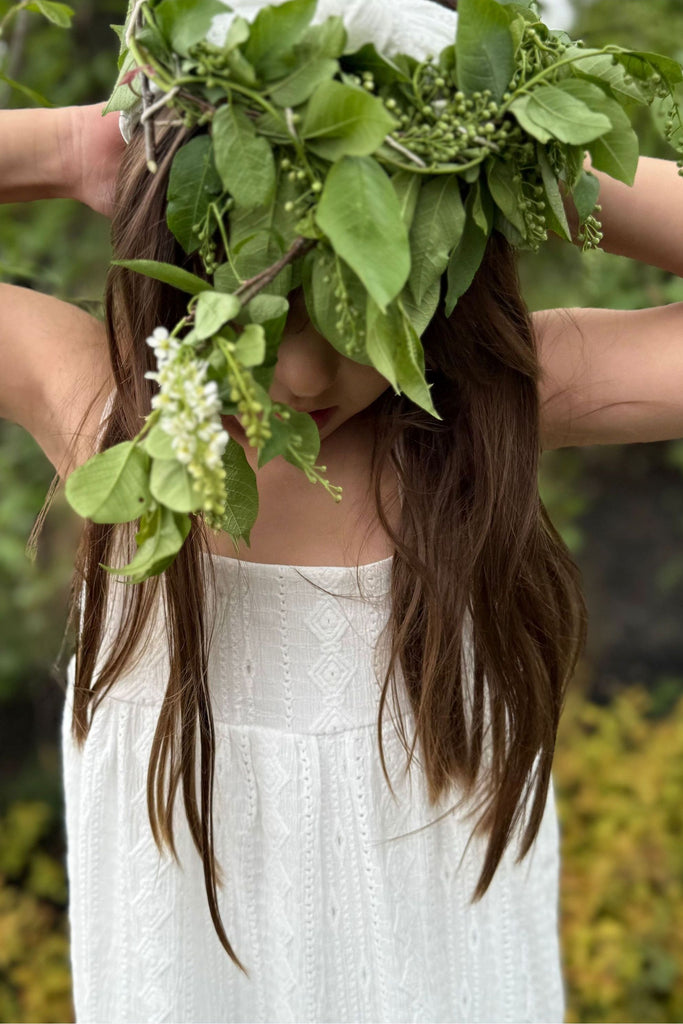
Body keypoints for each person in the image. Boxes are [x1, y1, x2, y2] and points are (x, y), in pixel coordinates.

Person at [2, 2, 683, 1021]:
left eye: (365, 287)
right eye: (269, 288)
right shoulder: (119, 424)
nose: (312, 370)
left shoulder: (471, 422)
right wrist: (80, 145)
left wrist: (531, 170)